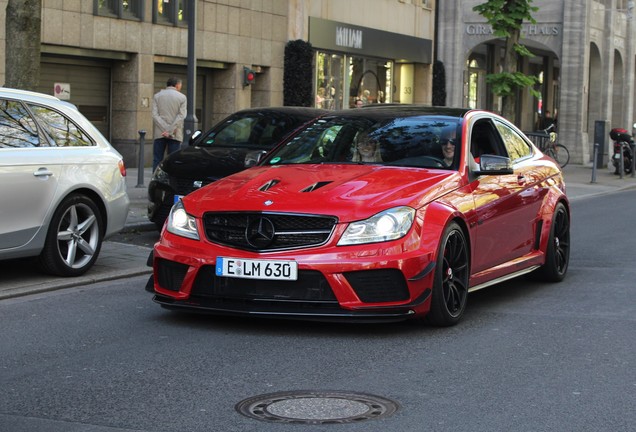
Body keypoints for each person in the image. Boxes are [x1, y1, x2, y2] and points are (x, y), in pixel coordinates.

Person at [152, 77, 187, 172]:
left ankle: (155, 179)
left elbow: (155, 115)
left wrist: (165, 129)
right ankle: (171, 180)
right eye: (180, 85)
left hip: (160, 133)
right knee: (173, 159)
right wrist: (170, 130)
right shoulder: (182, 97)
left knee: (157, 159)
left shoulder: (157, 96)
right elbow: (181, 116)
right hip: (175, 133)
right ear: (177, 85)